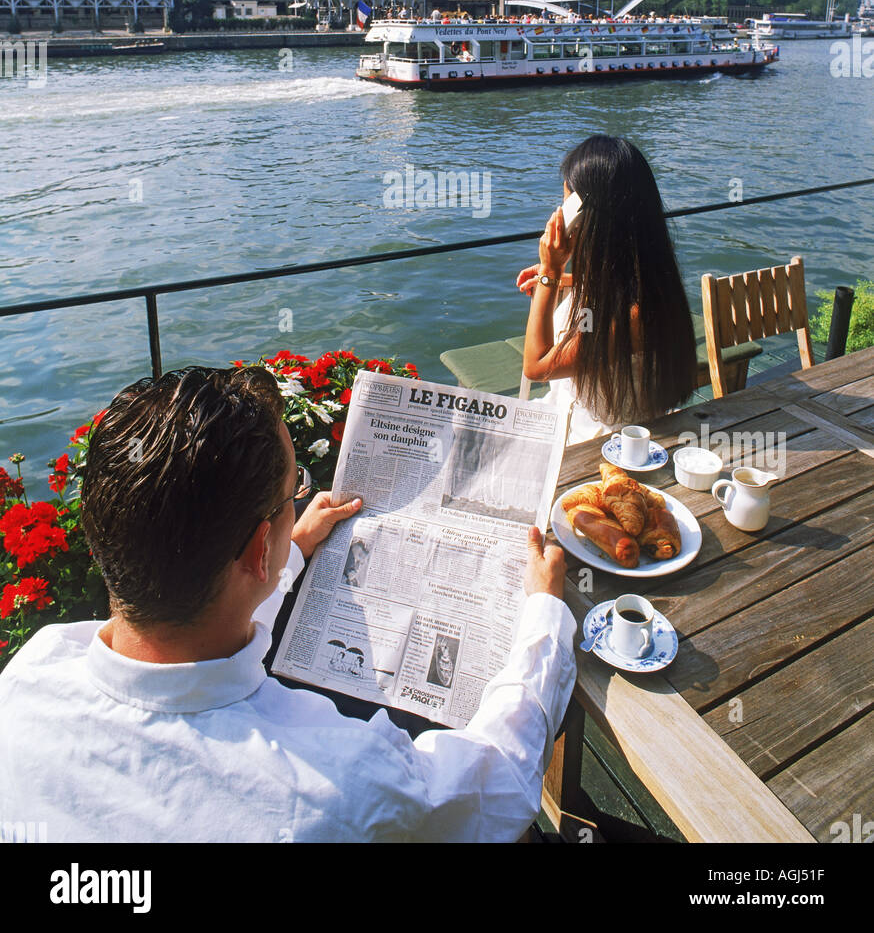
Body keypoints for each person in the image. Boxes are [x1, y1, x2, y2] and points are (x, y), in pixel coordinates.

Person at [0, 366, 575, 843]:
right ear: (256, 549)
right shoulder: (335, 784)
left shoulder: (31, 675)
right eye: (291, 491)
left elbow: (208, 628)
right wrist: (544, 612)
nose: (298, 496)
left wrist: (289, 545)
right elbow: (493, 782)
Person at [519, 135, 697, 445]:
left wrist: (550, 273)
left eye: (567, 201)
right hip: (568, 419)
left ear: (589, 216)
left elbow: (537, 366)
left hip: (598, 446)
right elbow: (617, 287)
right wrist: (567, 279)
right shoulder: (651, 279)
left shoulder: (634, 315)